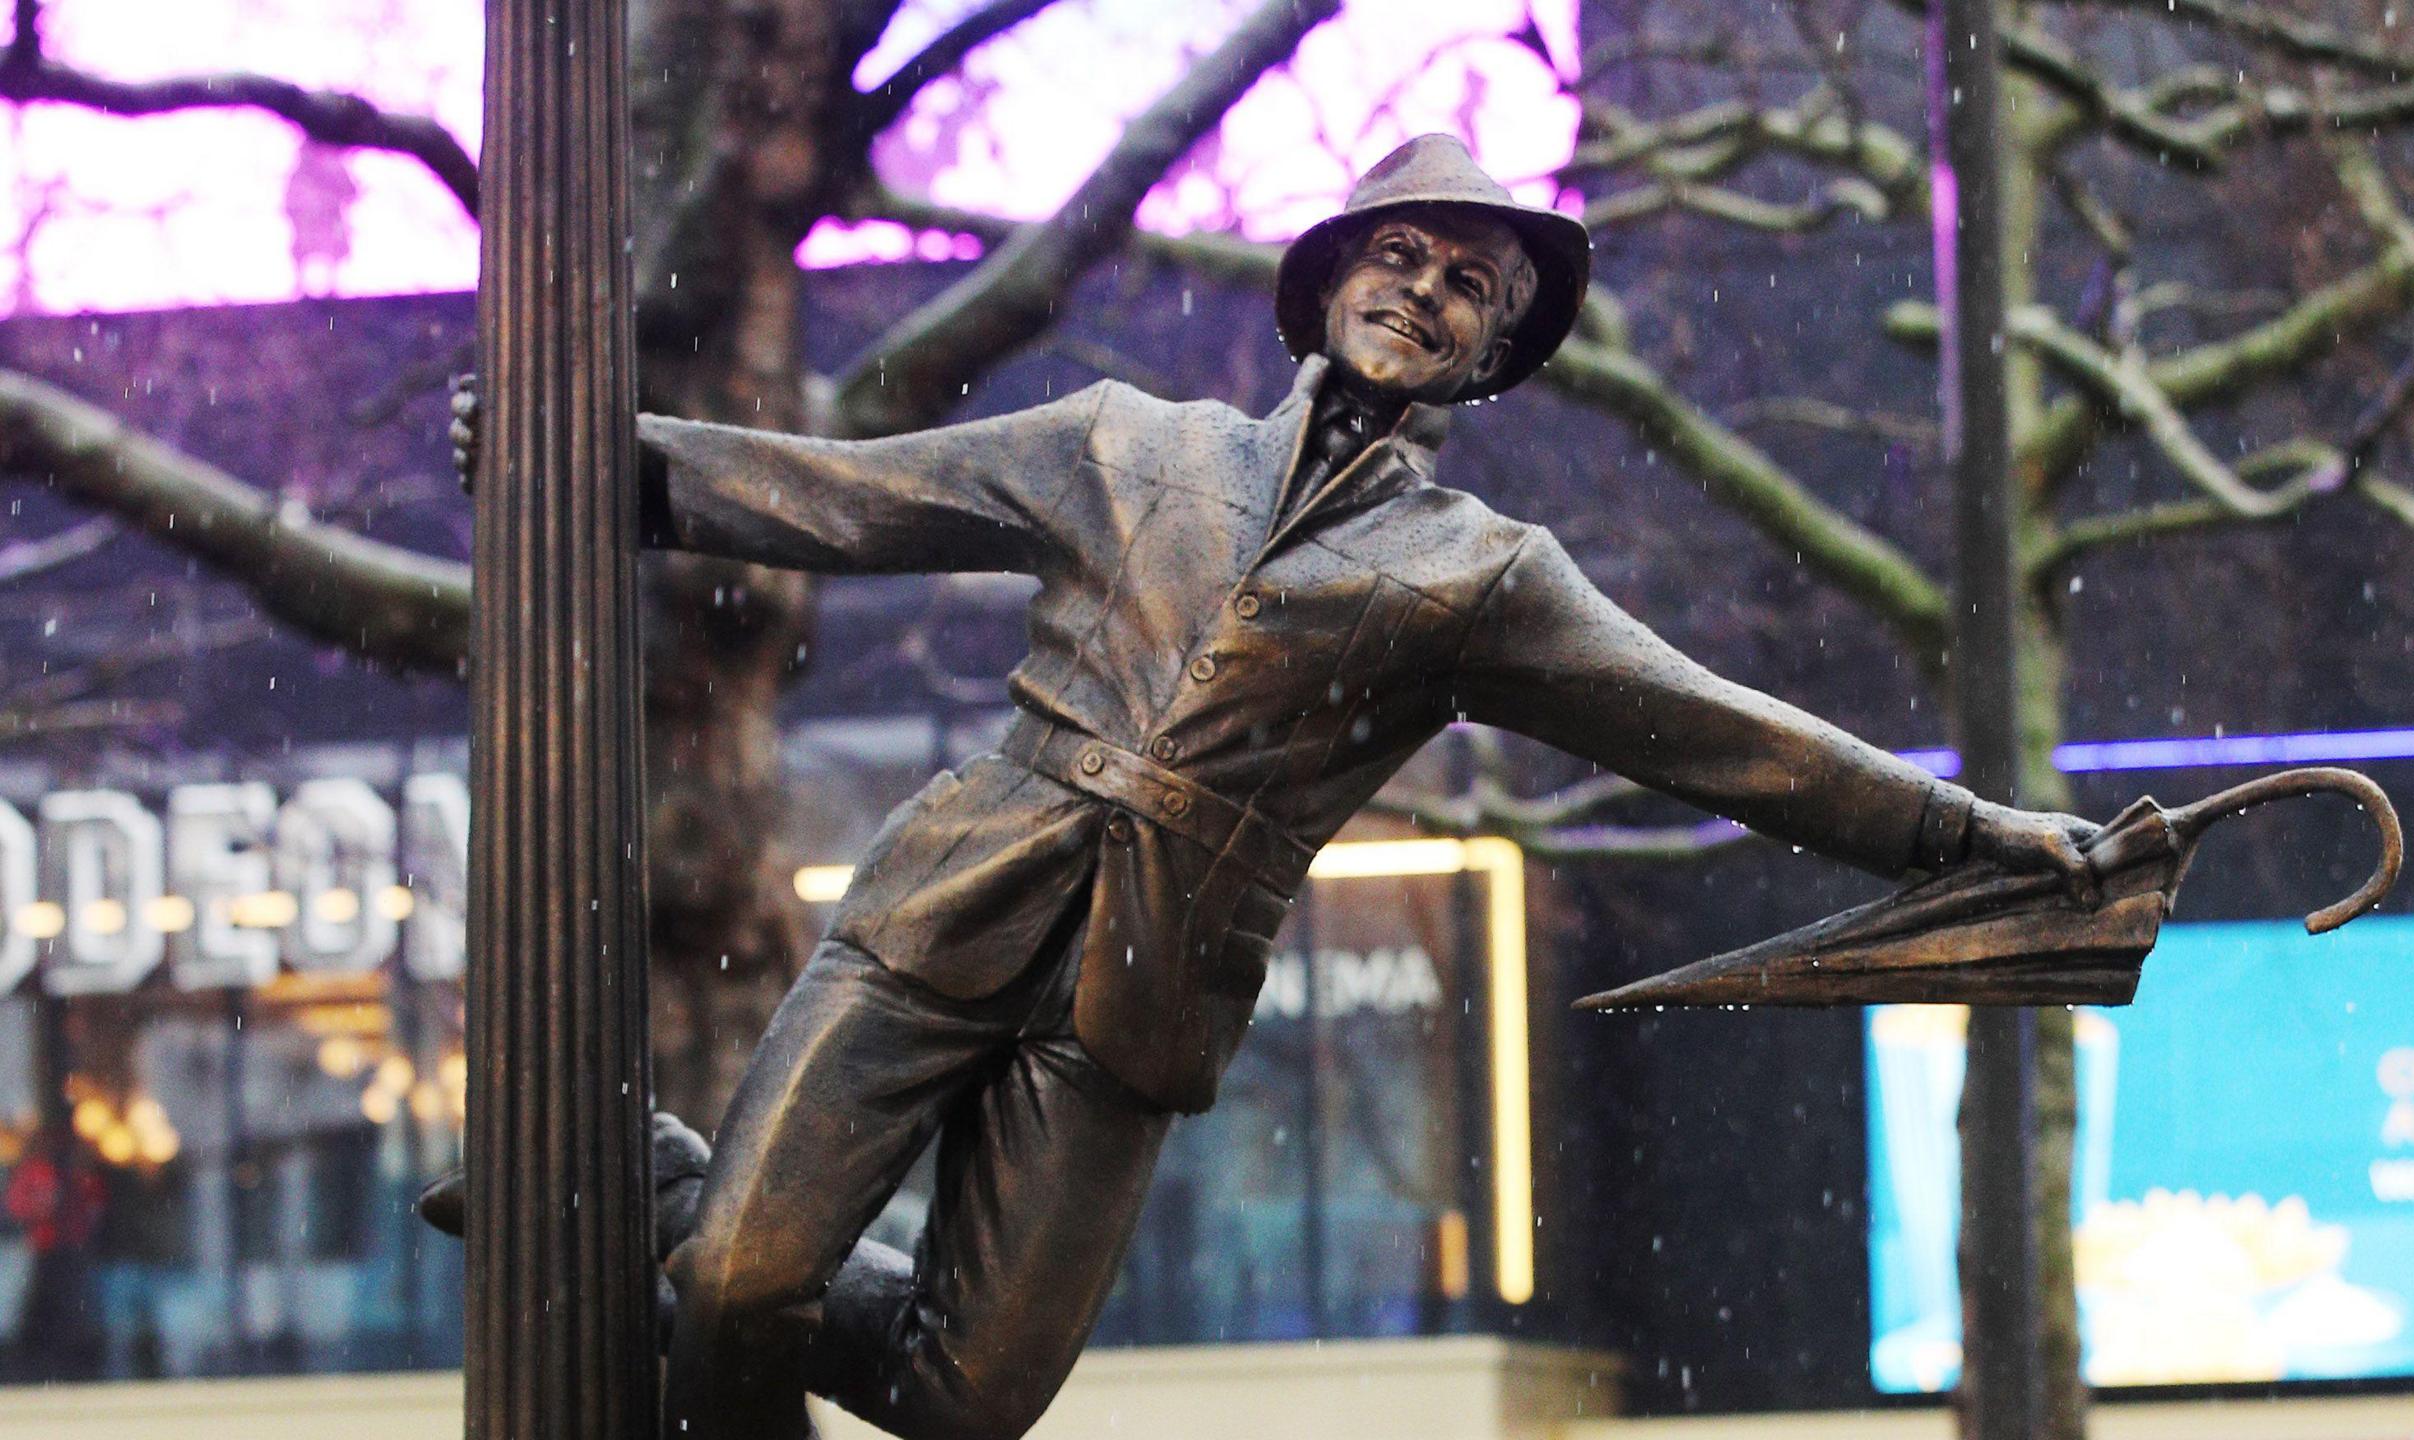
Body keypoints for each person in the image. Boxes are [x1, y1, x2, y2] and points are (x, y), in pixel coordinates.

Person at [442, 134, 2096, 1440]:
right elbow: (860, 501)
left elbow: (1725, 731)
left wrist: (1973, 832)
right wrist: (610, 466)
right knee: (735, 1283)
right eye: (1402, 256)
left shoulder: (1485, 575)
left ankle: (671, 1198)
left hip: (1142, 994)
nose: (1427, 293)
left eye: (1470, 287)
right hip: (952, 894)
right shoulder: (1127, 443)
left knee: (963, 1400)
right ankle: (689, 1203)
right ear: (1326, 286)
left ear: (1487, 359)